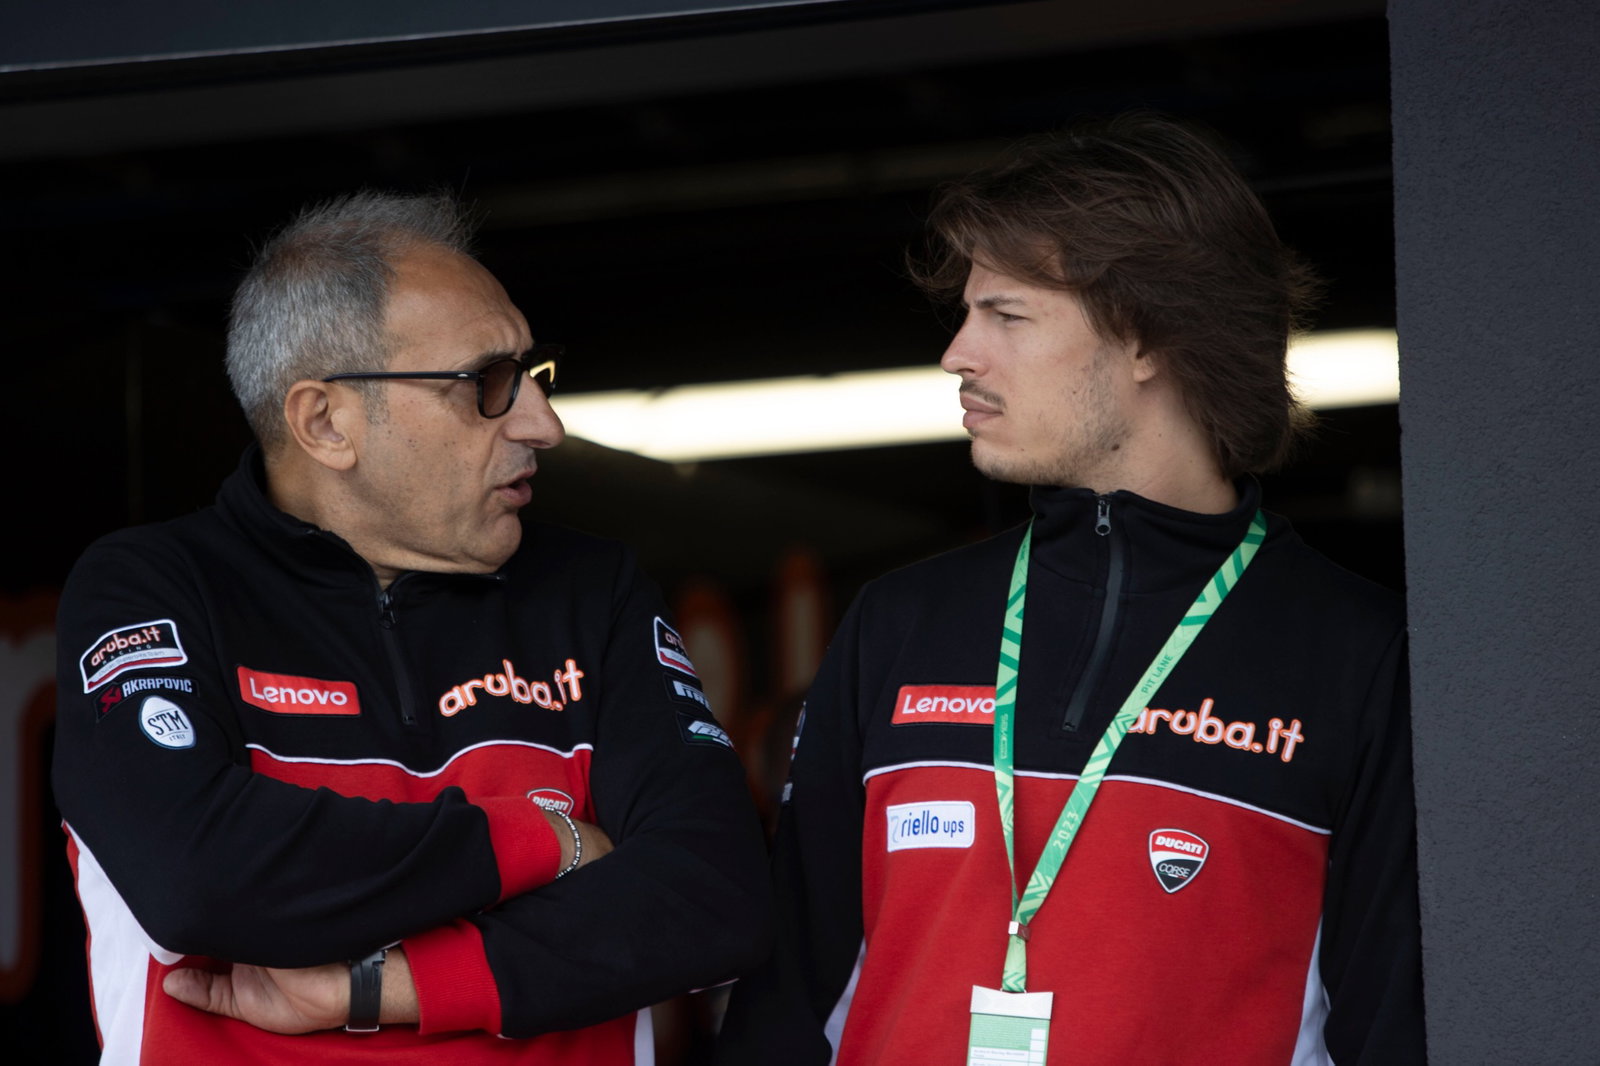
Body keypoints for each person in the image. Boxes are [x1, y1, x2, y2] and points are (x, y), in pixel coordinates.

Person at [716, 114, 1425, 1064]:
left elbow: (1392, 1027)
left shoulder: (1359, 650)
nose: (958, 354)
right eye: (967, 315)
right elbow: (784, 1003)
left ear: (1148, 338)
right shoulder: (902, 621)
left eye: (1006, 316)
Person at [53, 191, 770, 1064]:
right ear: (326, 423)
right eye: (486, 385)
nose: (543, 425)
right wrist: (550, 839)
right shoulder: (156, 587)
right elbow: (198, 875)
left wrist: (380, 988)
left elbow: (716, 896)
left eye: (534, 375)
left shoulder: (590, 590)